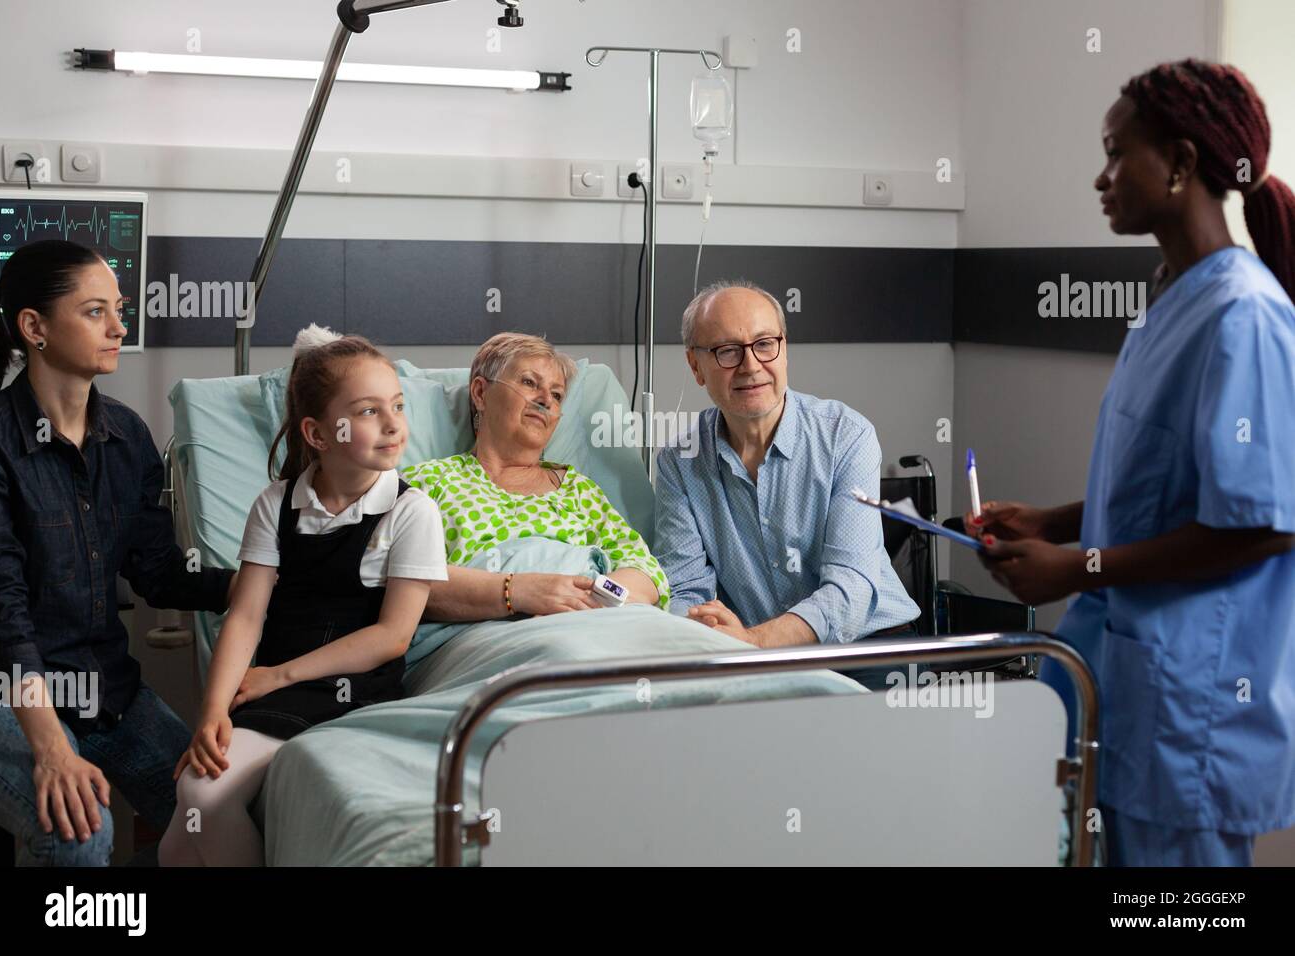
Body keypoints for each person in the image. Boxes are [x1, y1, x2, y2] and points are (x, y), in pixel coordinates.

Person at [966, 59, 1295, 866]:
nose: (1101, 177)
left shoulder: (1243, 316)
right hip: (1126, 678)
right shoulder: (1170, 300)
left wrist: (1076, 567)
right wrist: (1051, 521)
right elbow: (1166, 485)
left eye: (1118, 154)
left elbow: (1260, 525)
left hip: (1194, 705)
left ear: (1181, 165)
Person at [159, 326, 447, 866]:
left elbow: (392, 636)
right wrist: (213, 710)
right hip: (268, 687)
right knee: (176, 848)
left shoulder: (412, 512)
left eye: (398, 406)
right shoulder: (275, 505)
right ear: (317, 433)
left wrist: (281, 674)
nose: (393, 425)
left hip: (351, 690)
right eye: (367, 411)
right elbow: (245, 616)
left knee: (201, 795)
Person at [0, 240, 238, 866]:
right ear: (34, 327)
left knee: (213, 812)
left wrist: (255, 583)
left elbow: (157, 570)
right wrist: (50, 747)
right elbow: (6, 612)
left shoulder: (126, 435)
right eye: (96, 311)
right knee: (79, 832)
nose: (120, 327)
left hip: (107, 689)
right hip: (11, 693)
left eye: (120, 309)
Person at [653, 279, 919, 651]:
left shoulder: (846, 435)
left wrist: (754, 640)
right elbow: (684, 590)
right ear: (695, 365)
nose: (750, 366)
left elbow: (850, 589)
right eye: (727, 351)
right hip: (746, 654)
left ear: (784, 350)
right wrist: (716, 635)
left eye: (764, 345)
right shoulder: (679, 462)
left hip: (867, 647)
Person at [402, 332, 668, 619]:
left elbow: (645, 570)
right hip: (494, 633)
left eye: (557, 395)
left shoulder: (578, 491)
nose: (546, 401)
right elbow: (399, 581)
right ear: (480, 393)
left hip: (591, 621)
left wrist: (584, 600)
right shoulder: (429, 483)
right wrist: (517, 592)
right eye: (529, 383)